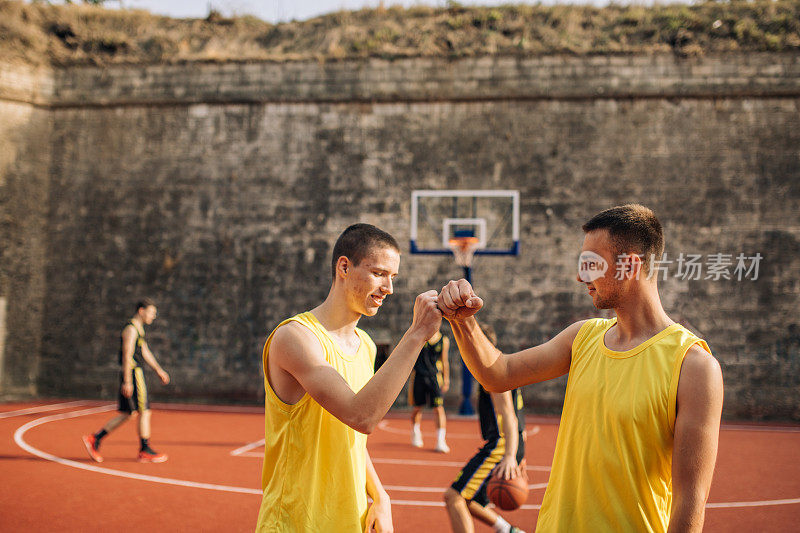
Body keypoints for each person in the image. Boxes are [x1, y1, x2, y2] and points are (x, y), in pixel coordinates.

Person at [437, 204, 724, 532]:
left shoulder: (694, 366)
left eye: (591, 264)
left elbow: (691, 501)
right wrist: (462, 320)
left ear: (629, 265)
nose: (580, 276)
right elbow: (497, 374)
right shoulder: (582, 337)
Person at [256, 223, 442, 532]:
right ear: (344, 266)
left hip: (349, 520)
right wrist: (417, 334)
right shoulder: (296, 338)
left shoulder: (365, 346)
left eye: (393, 277)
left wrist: (380, 495)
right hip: (294, 522)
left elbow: (353, 440)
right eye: (379, 273)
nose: (389, 288)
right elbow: (362, 416)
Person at [444, 323, 527, 533]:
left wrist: (510, 455)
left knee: (454, 497)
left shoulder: (491, 368)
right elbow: (518, 418)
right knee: (470, 500)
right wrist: (520, 453)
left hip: (500, 446)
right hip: (510, 444)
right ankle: (508, 530)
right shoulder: (501, 364)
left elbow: (509, 415)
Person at [82, 298, 171, 463]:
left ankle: (95, 438)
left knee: (129, 413)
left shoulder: (139, 329)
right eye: (152, 312)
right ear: (141, 311)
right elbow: (127, 355)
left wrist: (158, 370)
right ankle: (145, 450)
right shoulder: (131, 329)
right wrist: (128, 381)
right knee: (145, 411)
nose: (154, 316)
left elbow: (144, 351)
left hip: (134, 373)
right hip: (133, 373)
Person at [409, 326, 450, 452]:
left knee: (438, 408)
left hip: (435, 378)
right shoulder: (419, 335)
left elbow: (444, 361)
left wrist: (446, 379)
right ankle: (415, 432)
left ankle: (440, 440)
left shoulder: (443, 340)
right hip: (419, 377)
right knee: (417, 408)